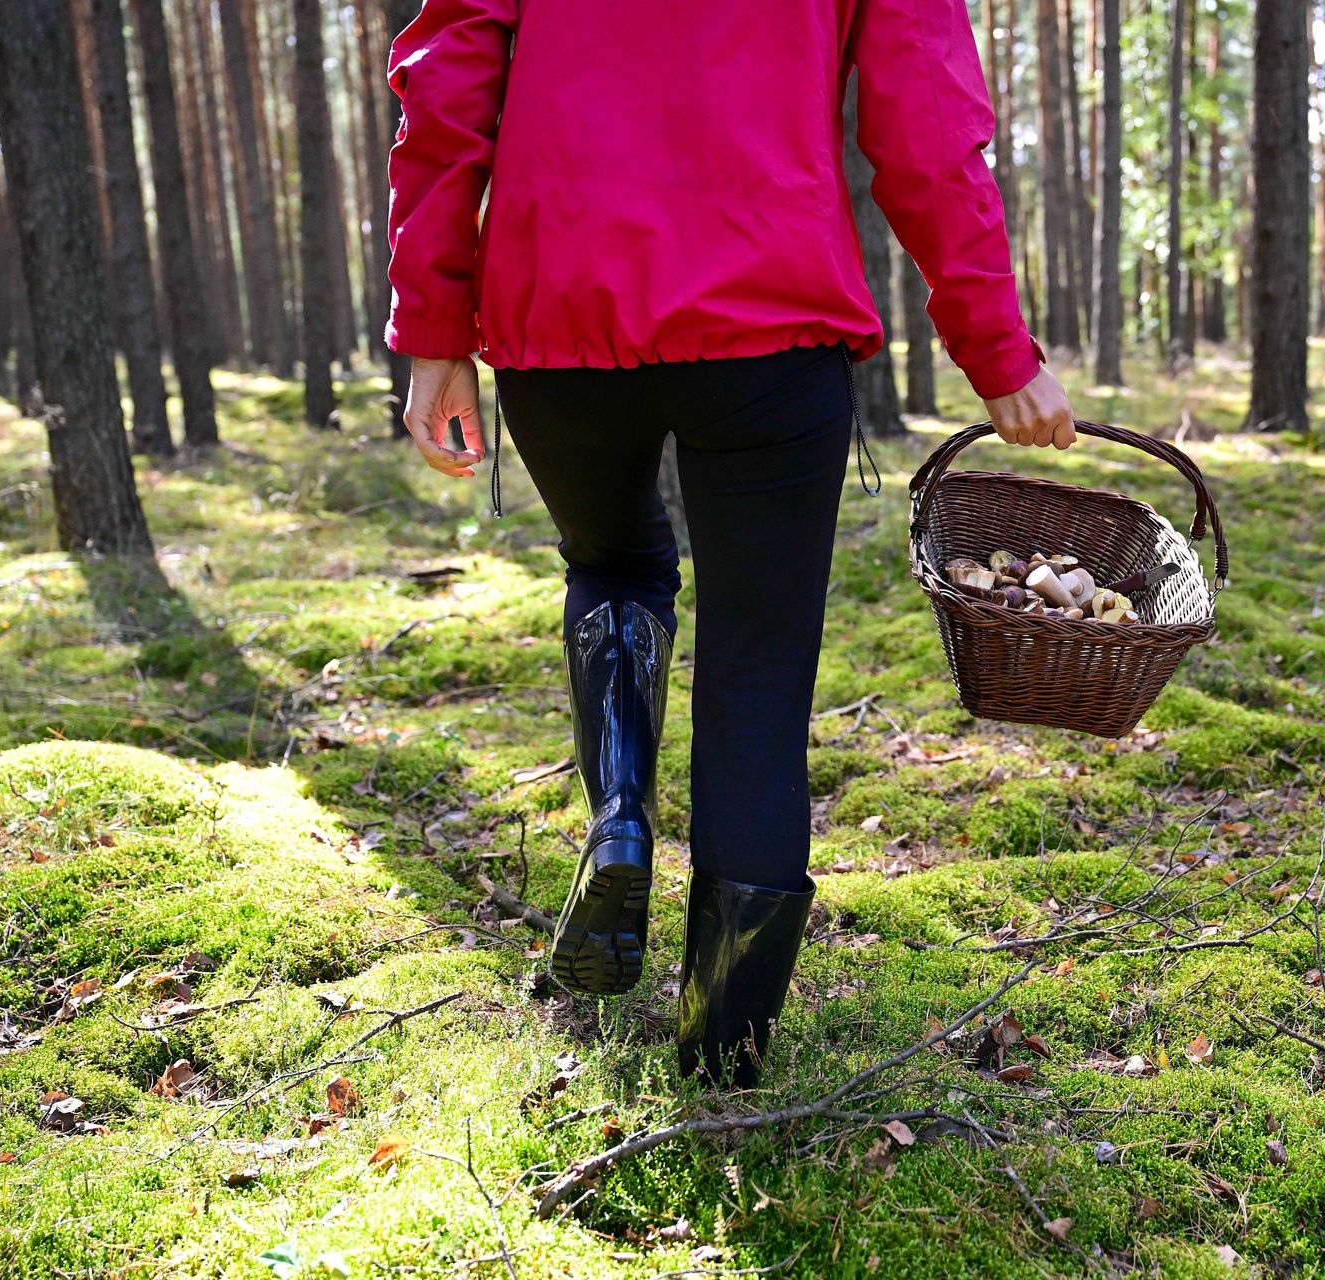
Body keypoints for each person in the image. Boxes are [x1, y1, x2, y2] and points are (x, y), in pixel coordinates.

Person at [387, 0, 1074, 1088]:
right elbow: (926, 124)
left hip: (559, 307)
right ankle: (722, 1054)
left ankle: (619, 819)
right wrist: (995, 348)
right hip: (770, 312)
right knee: (756, 674)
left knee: (613, 563)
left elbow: (448, 77)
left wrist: (431, 327)